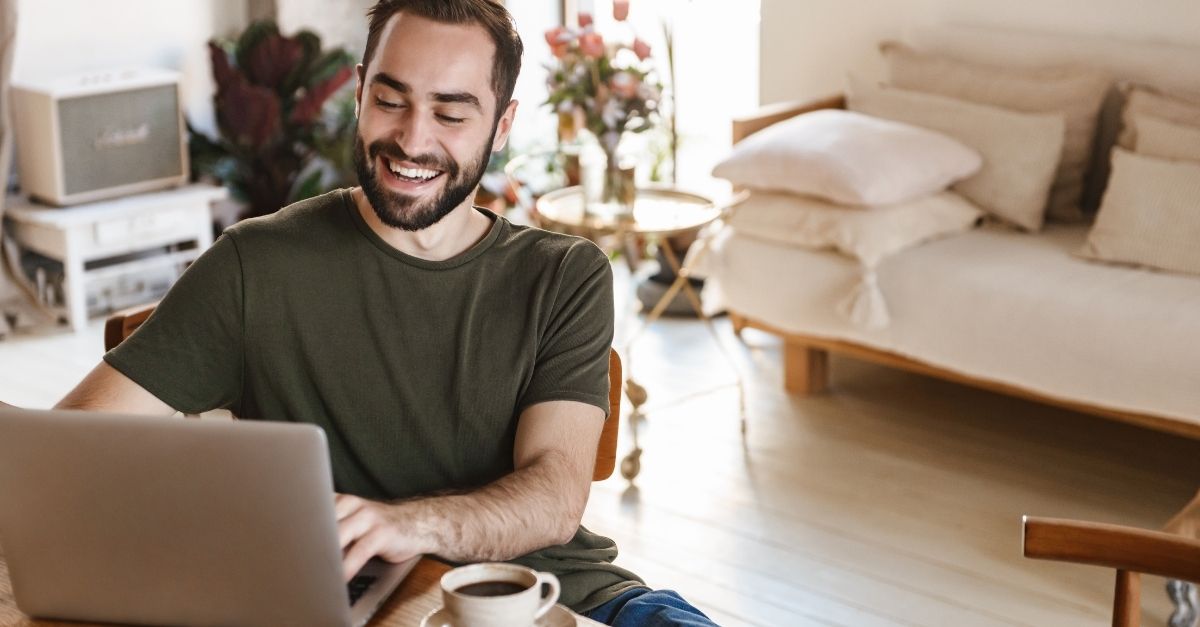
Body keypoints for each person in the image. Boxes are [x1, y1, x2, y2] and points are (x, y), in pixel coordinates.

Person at [53, 1, 717, 625]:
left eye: (451, 114)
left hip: (555, 595)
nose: (411, 140)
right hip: (335, 601)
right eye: (390, 100)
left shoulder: (563, 275)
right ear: (362, 89)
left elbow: (554, 496)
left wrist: (408, 524)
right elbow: (68, 453)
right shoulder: (255, 264)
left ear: (503, 125)